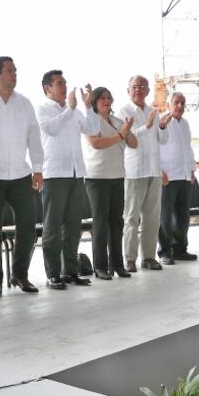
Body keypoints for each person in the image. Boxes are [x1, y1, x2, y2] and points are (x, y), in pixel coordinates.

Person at [0, 57, 44, 298]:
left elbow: (34, 137)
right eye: (9, 70)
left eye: (15, 70)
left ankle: (20, 275)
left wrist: (37, 168)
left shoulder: (25, 104)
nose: (14, 74)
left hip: (20, 175)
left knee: (28, 227)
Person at [36, 70, 98, 289]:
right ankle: (53, 274)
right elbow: (51, 130)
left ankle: (70, 271)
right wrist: (71, 109)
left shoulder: (75, 111)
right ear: (47, 89)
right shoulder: (43, 109)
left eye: (65, 83)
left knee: (73, 227)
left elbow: (93, 129)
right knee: (52, 228)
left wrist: (88, 106)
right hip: (54, 174)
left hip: (75, 173)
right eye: (59, 83)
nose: (64, 87)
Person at [83, 87, 137, 278]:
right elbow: (96, 144)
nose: (106, 101)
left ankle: (117, 264)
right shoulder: (90, 121)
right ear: (94, 102)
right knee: (100, 223)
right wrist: (121, 135)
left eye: (109, 98)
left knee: (116, 222)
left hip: (117, 176)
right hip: (96, 177)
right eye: (102, 98)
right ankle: (100, 266)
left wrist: (127, 130)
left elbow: (134, 144)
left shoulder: (117, 121)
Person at [120, 76, 171, 271]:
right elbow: (128, 137)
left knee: (152, 217)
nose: (138, 90)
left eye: (142, 87)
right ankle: (130, 259)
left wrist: (162, 126)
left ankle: (148, 257)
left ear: (148, 91)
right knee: (131, 218)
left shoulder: (153, 111)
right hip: (134, 171)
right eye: (134, 86)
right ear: (128, 90)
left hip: (153, 169)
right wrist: (147, 126)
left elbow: (163, 140)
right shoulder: (124, 111)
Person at [159, 92, 198, 264]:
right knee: (165, 217)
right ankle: (165, 252)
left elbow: (187, 148)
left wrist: (191, 169)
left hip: (184, 175)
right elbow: (155, 148)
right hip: (168, 175)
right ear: (169, 104)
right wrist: (160, 171)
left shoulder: (186, 124)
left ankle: (180, 249)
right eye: (176, 102)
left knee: (182, 216)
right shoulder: (161, 121)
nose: (180, 106)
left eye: (182, 103)